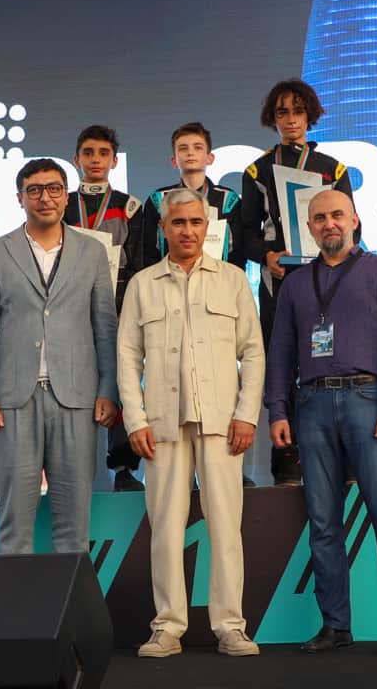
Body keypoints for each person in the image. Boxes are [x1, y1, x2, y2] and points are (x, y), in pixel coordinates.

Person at [264, 189, 377, 653]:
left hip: (369, 401)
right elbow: (280, 353)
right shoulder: (295, 284)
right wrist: (278, 410)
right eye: (319, 218)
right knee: (323, 522)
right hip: (311, 406)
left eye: (337, 215)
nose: (329, 223)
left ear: (354, 221)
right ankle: (336, 626)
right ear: (309, 228)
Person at [118, 188, 265, 658]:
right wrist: (135, 420)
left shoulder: (232, 280)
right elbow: (127, 357)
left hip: (222, 422)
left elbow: (253, 353)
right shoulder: (142, 284)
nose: (187, 231)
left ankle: (231, 627)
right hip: (161, 424)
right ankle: (167, 627)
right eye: (178, 223)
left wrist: (246, 414)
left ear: (208, 227)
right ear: (163, 229)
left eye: (195, 222)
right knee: (165, 528)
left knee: (226, 527)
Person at [0, 158, 119, 554]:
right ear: (20, 198)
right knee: (15, 525)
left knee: (74, 526)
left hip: (77, 399)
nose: (45, 198)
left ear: (66, 196)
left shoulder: (91, 251)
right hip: (13, 402)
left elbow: (105, 327)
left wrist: (109, 389)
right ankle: (16, 598)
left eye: (54, 189)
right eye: (34, 190)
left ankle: (70, 598)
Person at [242, 78, 356, 486]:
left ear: (310, 115)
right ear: (272, 119)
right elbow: (245, 233)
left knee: (335, 361)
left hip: (328, 280)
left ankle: (342, 455)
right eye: (282, 112)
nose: (291, 119)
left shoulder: (333, 168)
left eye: (298, 111)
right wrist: (266, 256)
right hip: (280, 282)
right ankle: (287, 460)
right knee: (281, 364)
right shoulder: (257, 170)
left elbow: (353, 227)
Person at [63, 124, 147, 492]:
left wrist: (129, 309)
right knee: (71, 385)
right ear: (76, 159)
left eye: (103, 153)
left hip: (117, 309)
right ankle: (74, 468)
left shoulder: (130, 207)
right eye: (88, 153)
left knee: (122, 383)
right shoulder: (62, 205)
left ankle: (124, 468)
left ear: (114, 161)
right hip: (69, 311)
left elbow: (140, 265)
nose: (95, 159)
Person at [139, 121, 246, 270]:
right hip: (170, 279)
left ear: (210, 158)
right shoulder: (159, 200)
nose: (190, 153)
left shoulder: (228, 200)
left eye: (198, 147)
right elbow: (148, 252)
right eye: (183, 148)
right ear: (174, 161)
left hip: (218, 280)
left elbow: (238, 253)